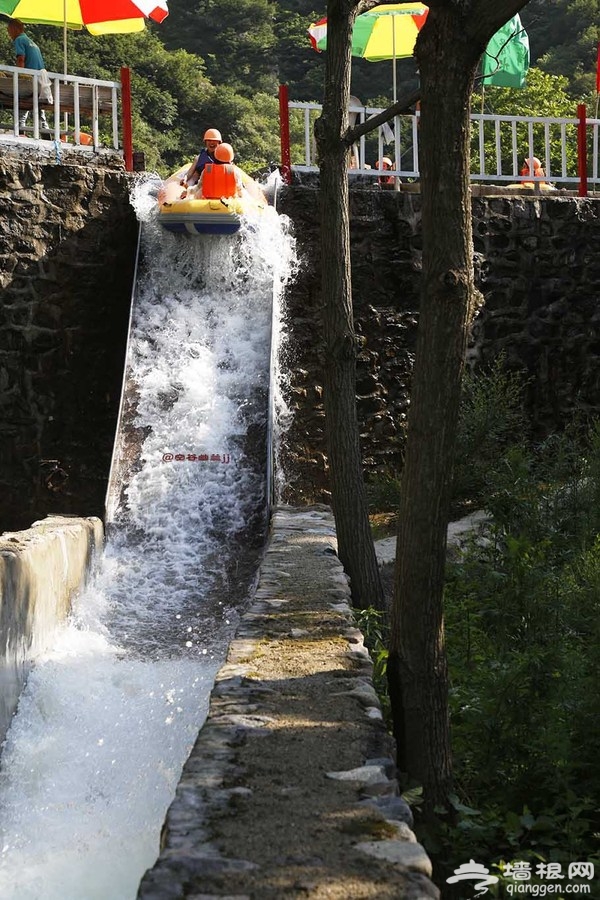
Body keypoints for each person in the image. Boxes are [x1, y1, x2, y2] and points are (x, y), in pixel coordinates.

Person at [6, 19, 49, 131]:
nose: (9, 34)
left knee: (21, 104)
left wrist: (18, 75)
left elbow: (21, 59)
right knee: (39, 110)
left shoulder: (19, 40)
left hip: (30, 81)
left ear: (14, 29)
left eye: (9, 30)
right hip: (41, 81)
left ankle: (19, 131)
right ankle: (45, 131)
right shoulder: (31, 42)